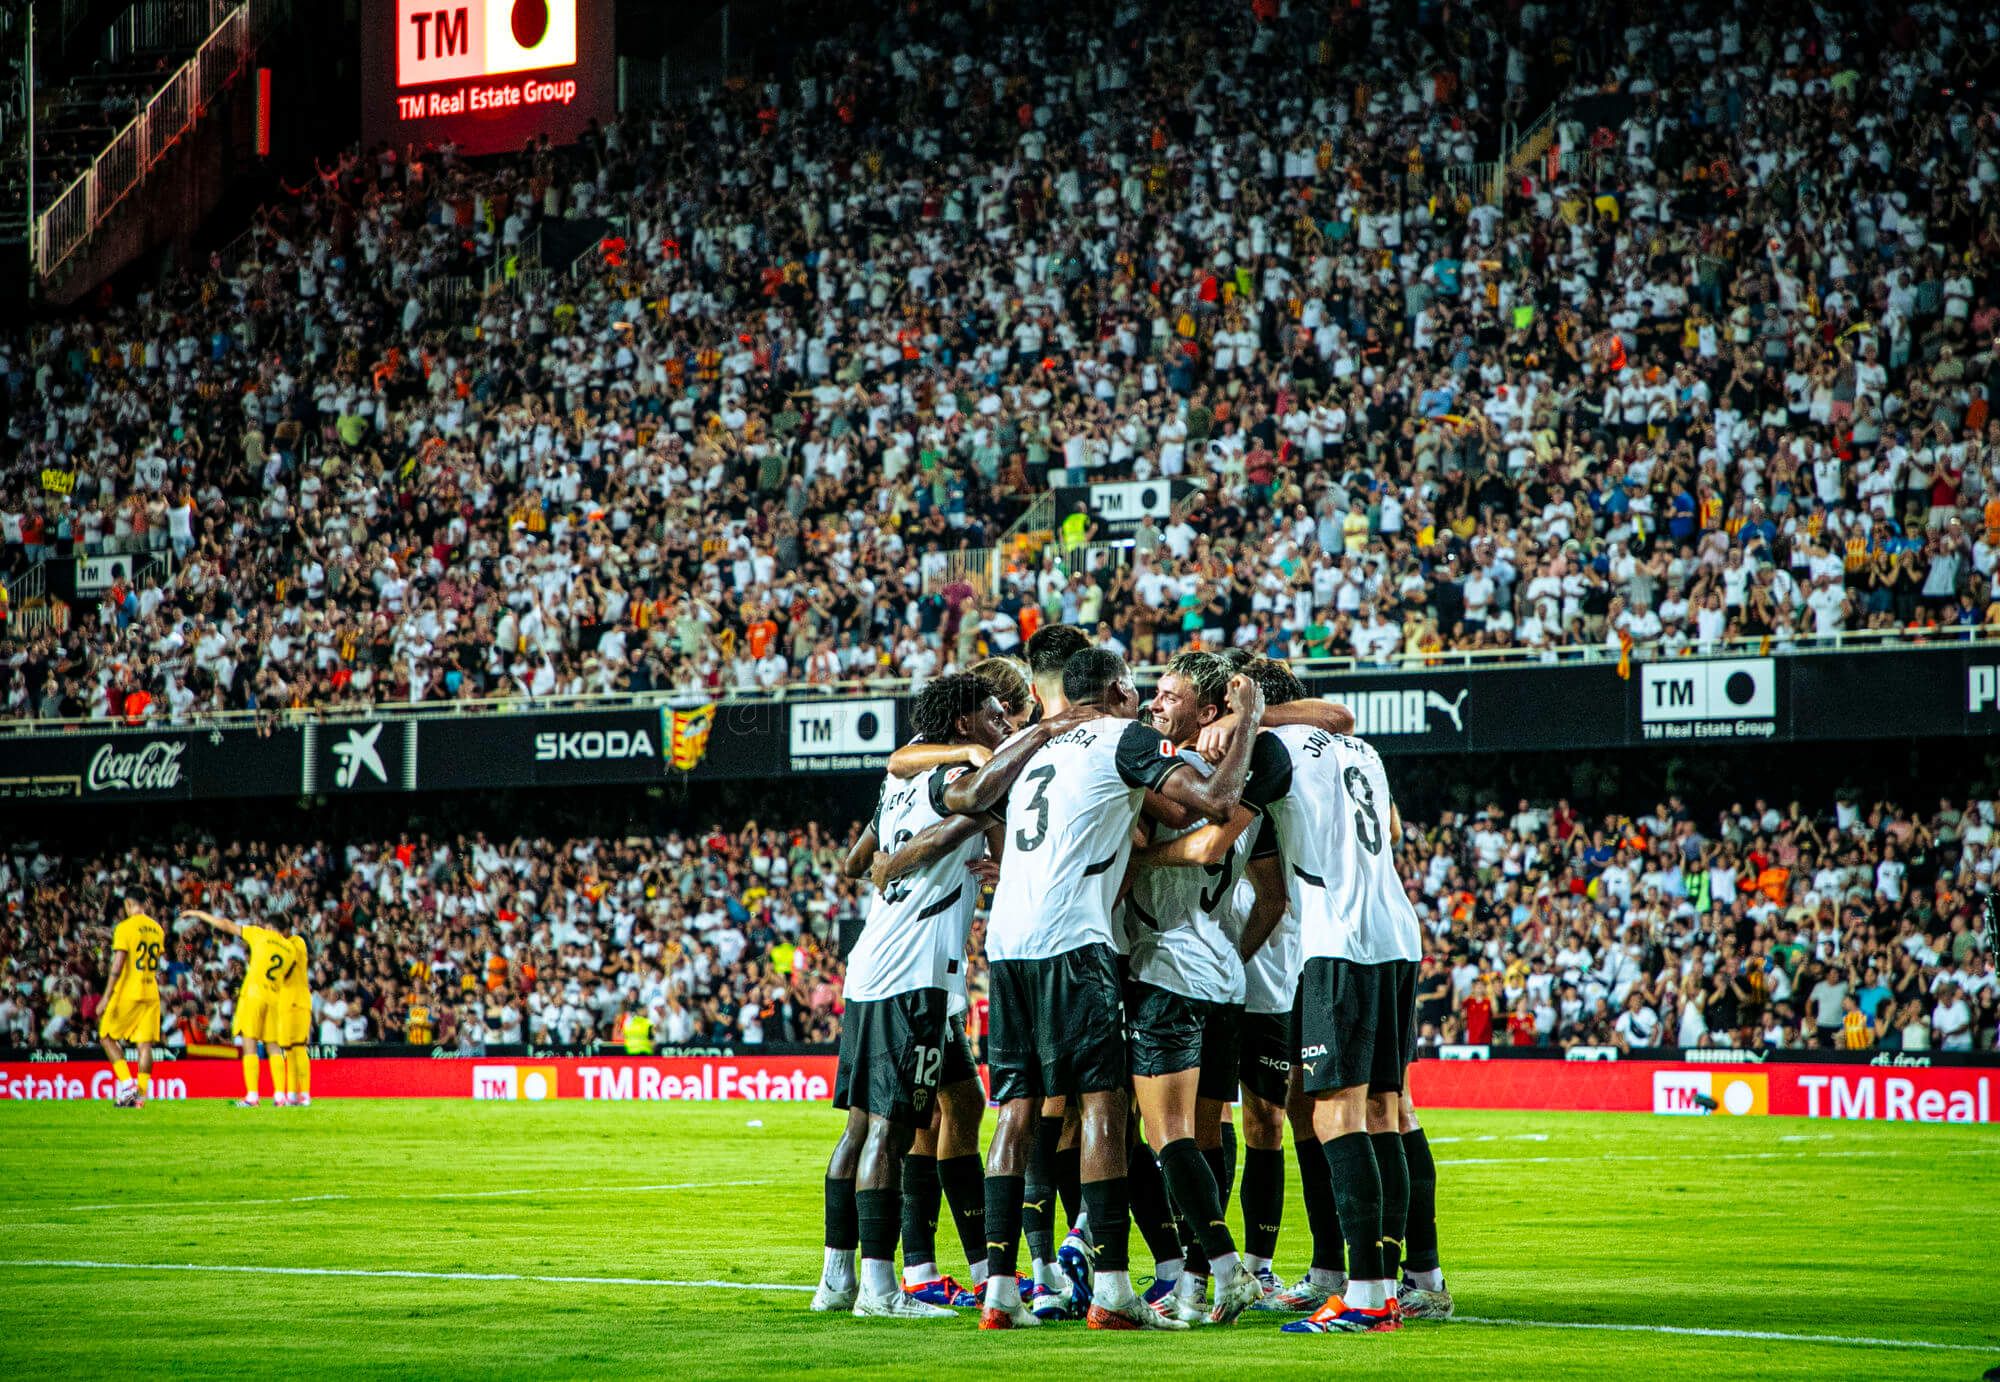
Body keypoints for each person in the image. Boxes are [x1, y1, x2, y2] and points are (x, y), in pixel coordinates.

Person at [932, 645, 1264, 1330]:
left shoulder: (1030, 741)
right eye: (1136, 690)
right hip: (1076, 940)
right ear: (1115, 691)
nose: (1143, 701)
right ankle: (1113, 1288)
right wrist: (1250, 718)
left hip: (1007, 944)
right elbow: (1212, 802)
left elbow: (962, 796)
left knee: (1017, 1110)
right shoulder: (1124, 736)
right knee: (1104, 1103)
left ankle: (1001, 1291)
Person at [812, 673, 1014, 1318]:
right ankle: (879, 1287)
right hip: (916, 976)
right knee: (892, 1133)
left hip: (870, 965)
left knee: (862, 1128)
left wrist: (907, 854)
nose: (1000, 723)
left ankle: (836, 1280)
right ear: (962, 725)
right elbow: (970, 798)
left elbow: (854, 864)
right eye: (991, 714)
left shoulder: (895, 787)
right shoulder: (947, 781)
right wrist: (971, 820)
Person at [1243, 696, 1423, 1334]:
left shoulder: (1272, 748)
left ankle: (1369, 1295)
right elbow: (1393, 830)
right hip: (1395, 935)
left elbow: (1218, 817)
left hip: (1337, 941)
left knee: (1335, 1114)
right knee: (1385, 1110)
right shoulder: (1362, 750)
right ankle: (1403, 1283)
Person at [181, 908, 295, 1107]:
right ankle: (280, 1096)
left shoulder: (260, 934)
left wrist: (200, 914)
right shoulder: (290, 950)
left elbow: (226, 925)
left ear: (269, 927)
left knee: (249, 1043)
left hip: (253, 996)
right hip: (274, 999)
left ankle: (252, 1096)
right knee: (274, 1047)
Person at [97, 895, 165, 1108]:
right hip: (151, 991)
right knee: (144, 1046)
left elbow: (117, 965)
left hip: (129, 991)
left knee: (106, 1036)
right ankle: (140, 1098)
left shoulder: (125, 927)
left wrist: (106, 996)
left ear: (128, 903)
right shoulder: (157, 929)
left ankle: (128, 1086)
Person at [278, 932, 314, 1107]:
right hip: (284, 1005)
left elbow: (287, 967)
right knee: (289, 1052)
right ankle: (291, 1095)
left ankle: (305, 1095)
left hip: (298, 1003)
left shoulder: (297, 942)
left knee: (299, 1047)